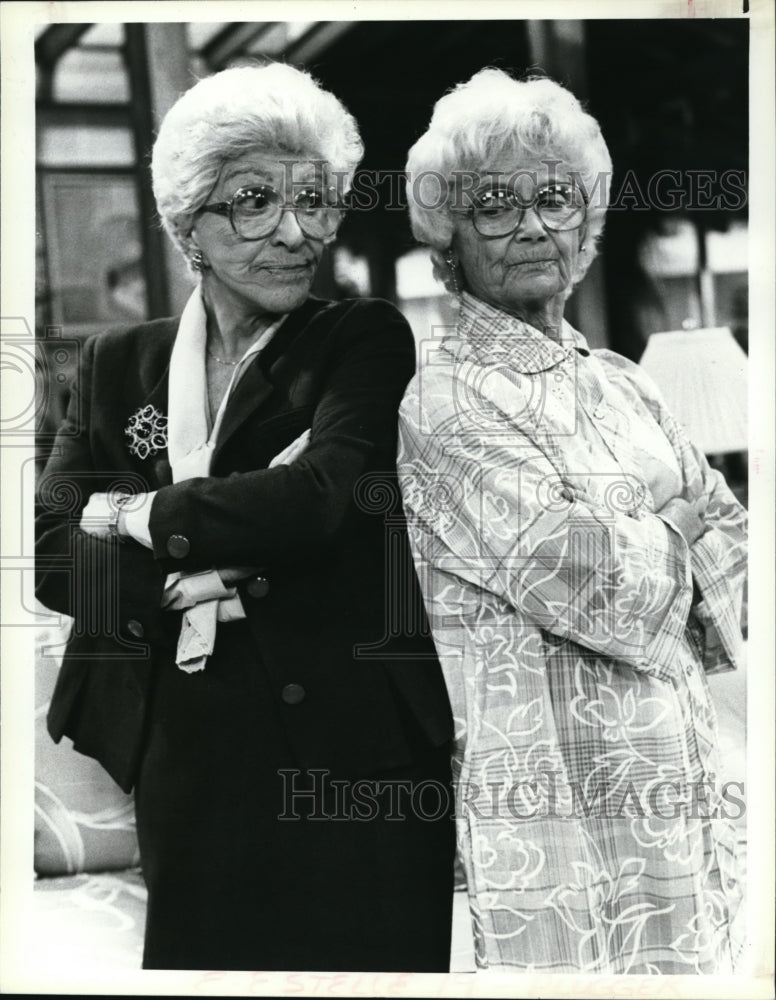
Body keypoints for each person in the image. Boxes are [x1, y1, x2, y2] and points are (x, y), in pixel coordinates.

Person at [36, 63, 455, 972]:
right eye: (255, 202)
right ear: (188, 223)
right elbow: (51, 555)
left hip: (358, 756)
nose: (295, 233)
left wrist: (136, 514)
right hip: (190, 754)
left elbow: (322, 499)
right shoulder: (116, 364)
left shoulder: (361, 338)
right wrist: (203, 560)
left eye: (316, 202)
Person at [398, 69, 747, 974]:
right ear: (447, 241)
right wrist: (671, 521)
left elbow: (739, 546)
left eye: (554, 198)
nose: (532, 225)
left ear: (586, 220)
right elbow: (599, 582)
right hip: (553, 798)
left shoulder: (625, 380)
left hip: (684, 774)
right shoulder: (444, 399)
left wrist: (663, 528)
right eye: (493, 206)